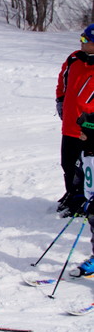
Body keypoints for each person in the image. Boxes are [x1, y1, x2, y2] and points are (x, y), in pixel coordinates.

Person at [55, 24, 94, 215]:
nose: (81, 42)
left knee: (86, 166)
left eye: (86, 40)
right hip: (70, 124)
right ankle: (72, 193)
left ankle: (83, 199)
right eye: (81, 38)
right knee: (68, 163)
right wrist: (60, 100)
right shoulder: (73, 59)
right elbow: (62, 81)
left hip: (89, 128)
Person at [67, 111, 94, 277]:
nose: (80, 136)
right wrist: (77, 195)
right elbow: (81, 174)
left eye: (83, 133)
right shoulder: (85, 152)